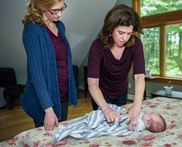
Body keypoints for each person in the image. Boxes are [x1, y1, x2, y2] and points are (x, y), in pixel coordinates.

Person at [20, 0, 77, 131]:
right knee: (47, 141)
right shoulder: (32, 30)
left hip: (62, 94)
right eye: (55, 11)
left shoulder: (60, 26)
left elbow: (64, 61)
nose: (60, 14)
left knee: (61, 137)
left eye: (62, 9)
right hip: (45, 100)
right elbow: (37, 75)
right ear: (42, 7)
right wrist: (48, 110)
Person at [87, 4, 145, 127]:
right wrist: (105, 108)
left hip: (121, 91)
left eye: (129, 33)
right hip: (100, 94)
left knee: (120, 124)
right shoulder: (97, 46)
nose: (125, 38)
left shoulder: (136, 44)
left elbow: (139, 76)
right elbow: (92, 83)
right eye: (121, 32)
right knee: (103, 125)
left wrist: (136, 105)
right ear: (111, 28)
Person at [55, 104, 166, 141]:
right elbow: (131, 111)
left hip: (120, 122)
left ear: (147, 124)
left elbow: (131, 128)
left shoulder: (140, 124)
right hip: (120, 114)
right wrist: (126, 111)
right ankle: (71, 124)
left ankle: (70, 129)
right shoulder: (142, 115)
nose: (150, 112)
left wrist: (133, 122)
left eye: (151, 114)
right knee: (103, 112)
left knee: (101, 121)